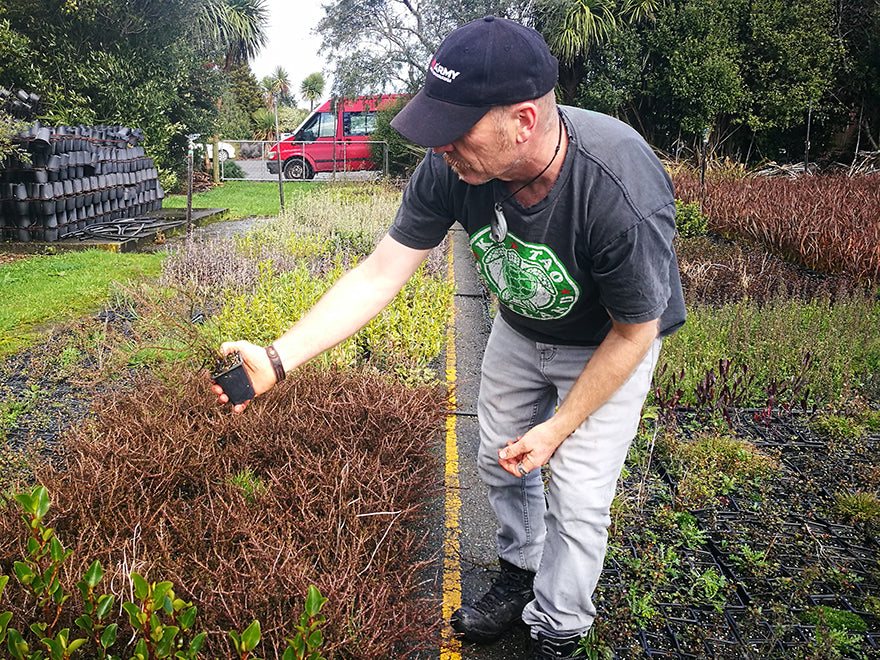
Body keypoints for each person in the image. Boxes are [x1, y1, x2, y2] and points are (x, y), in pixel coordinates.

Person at [212, 16, 685, 660]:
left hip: (607, 344)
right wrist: (277, 358)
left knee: (577, 495)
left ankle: (558, 627)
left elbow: (637, 334)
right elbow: (380, 272)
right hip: (521, 327)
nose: (440, 149)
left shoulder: (619, 190)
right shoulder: (451, 172)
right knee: (497, 456)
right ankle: (519, 573)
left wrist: (558, 428)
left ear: (521, 121)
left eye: (456, 131)